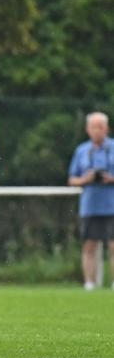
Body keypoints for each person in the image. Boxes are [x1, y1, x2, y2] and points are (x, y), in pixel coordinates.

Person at [68, 112, 114, 291]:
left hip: (111, 206)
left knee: (112, 245)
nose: (97, 131)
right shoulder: (81, 150)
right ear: (87, 129)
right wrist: (85, 179)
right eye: (94, 127)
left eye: (100, 127)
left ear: (107, 128)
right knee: (89, 245)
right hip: (89, 206)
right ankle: (89, 284)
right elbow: (72, 179)